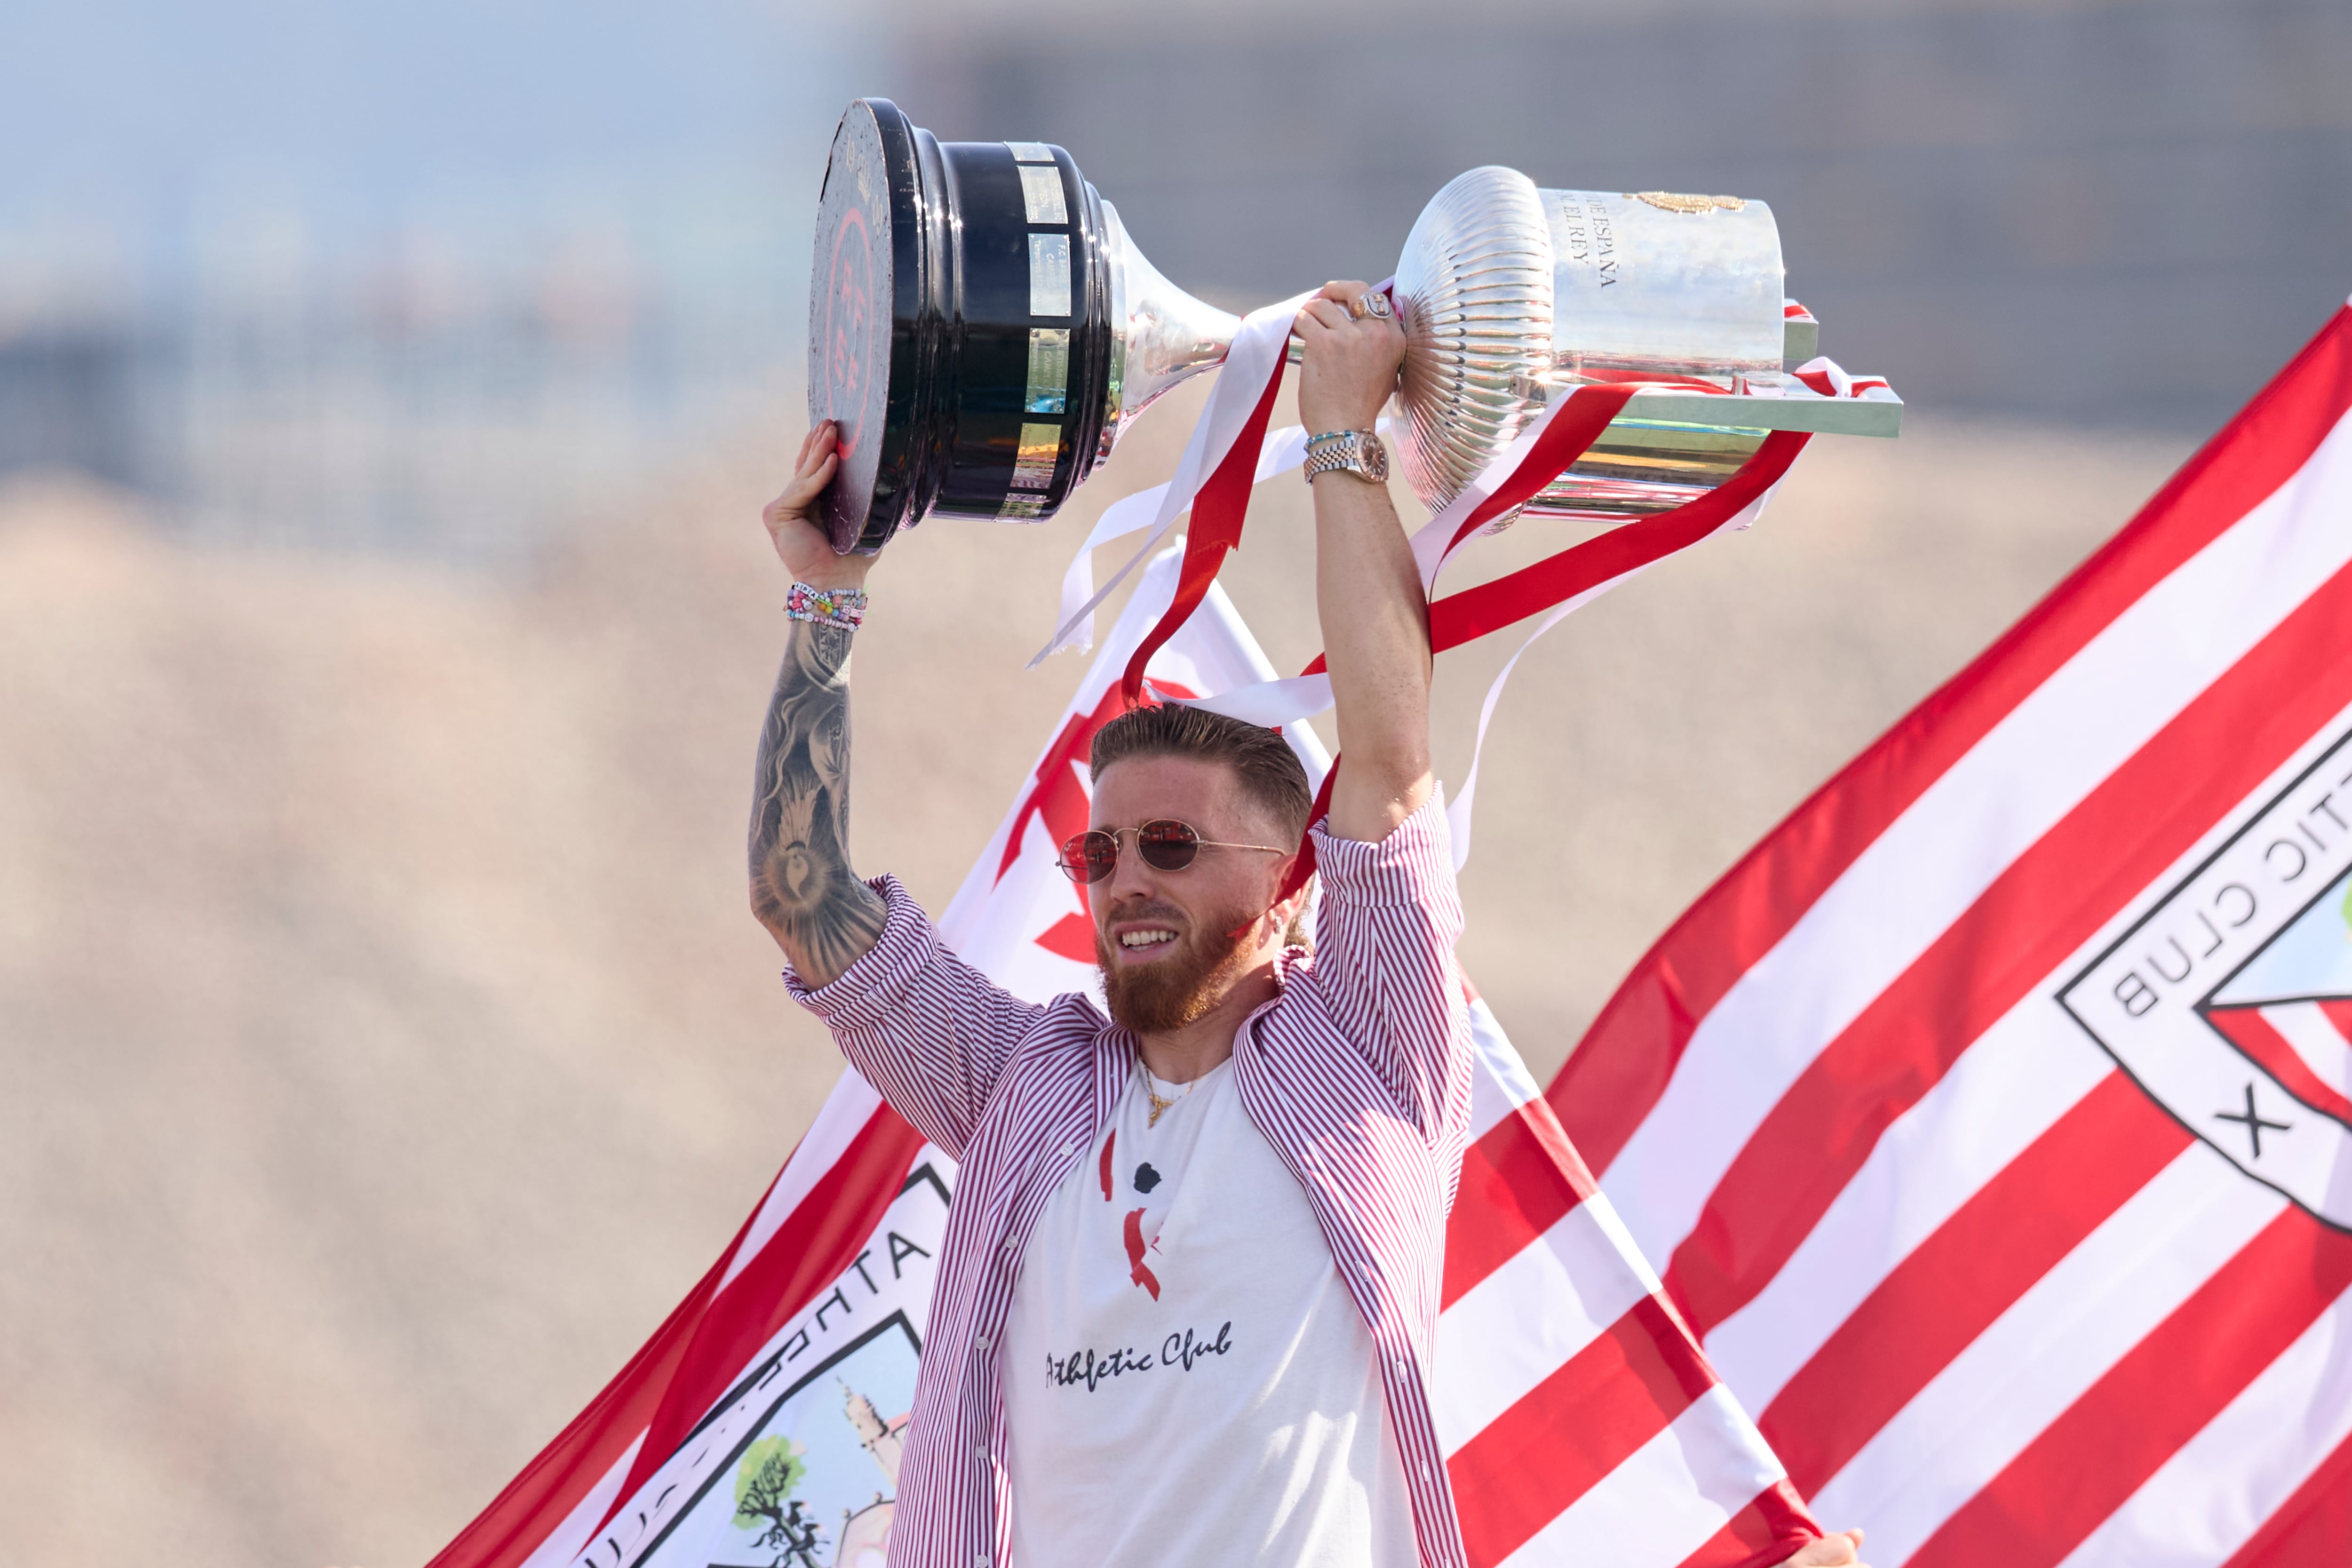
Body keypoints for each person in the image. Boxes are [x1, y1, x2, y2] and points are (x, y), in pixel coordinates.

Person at [748, 282, 1868, 1568]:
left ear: (1292, 883)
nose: (1124, 883)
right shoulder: (1019, 1089)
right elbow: (801, 899)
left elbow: (1388, 760)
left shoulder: (1369, 1061)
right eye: (1100, 853)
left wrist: (1341, 439)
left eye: (1173, 847)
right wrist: (826, 599)